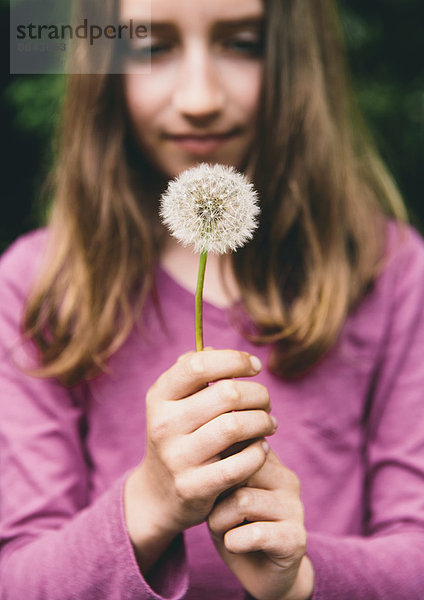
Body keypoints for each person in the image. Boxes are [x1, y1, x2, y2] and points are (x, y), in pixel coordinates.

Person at [1, 0, 424, 598]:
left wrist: (300, 578)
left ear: (294, 60)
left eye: (242, 42)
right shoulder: (34, 288)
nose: (199, 97)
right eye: (151, 46)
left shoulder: (394, 273)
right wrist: (149, 503)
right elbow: (16, 579)